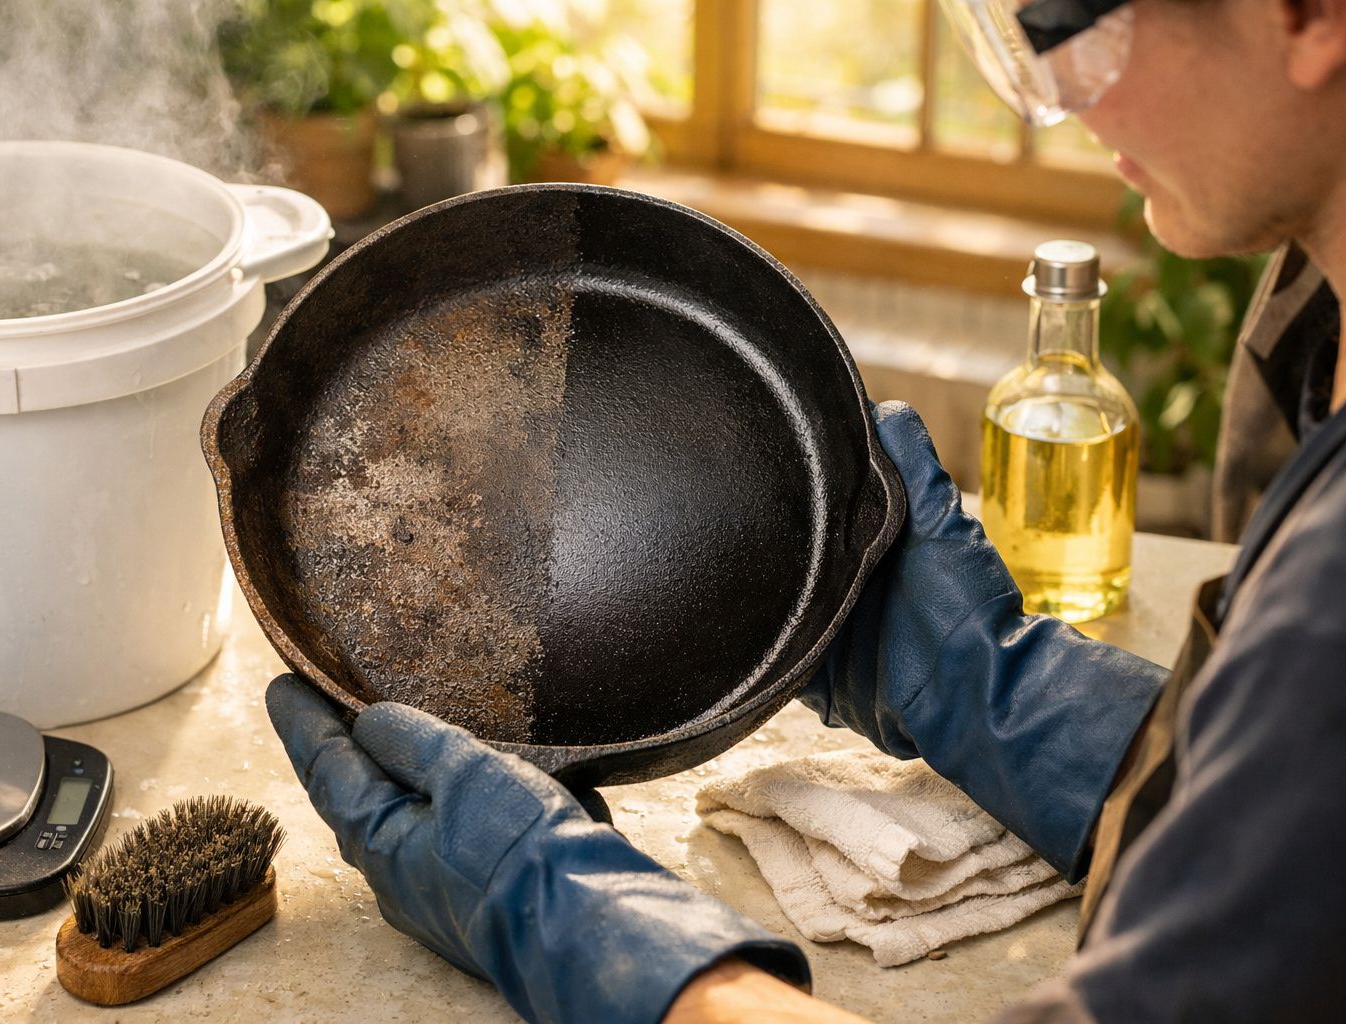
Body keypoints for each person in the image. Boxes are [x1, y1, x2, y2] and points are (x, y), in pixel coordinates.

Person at [264, 1, 1346, 1020]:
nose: (1060, 101)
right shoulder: (1318, 319)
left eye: (1077, 22)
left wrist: (583, 934)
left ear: (1311, 16)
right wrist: (1000, 692)